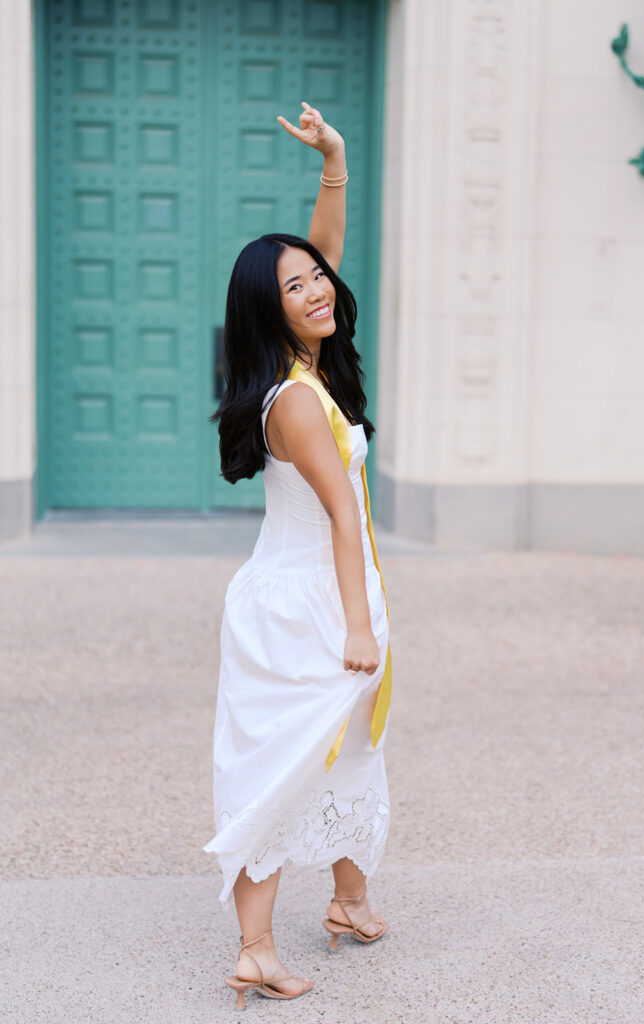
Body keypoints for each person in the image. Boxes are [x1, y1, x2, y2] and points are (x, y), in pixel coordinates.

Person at [203, 101, 392, 1009]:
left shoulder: (301, 368)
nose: (318, 289)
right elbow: (345, 518)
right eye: (296, 287)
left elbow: (319, 261)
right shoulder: (295, 402)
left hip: (317, 591)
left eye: (317, 277)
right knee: (281, 772)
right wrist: (358, 625)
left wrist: (335, 160)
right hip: (309, 600)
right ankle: (254, 949)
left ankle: (350, 901)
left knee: (349, 746)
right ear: (264, 312)